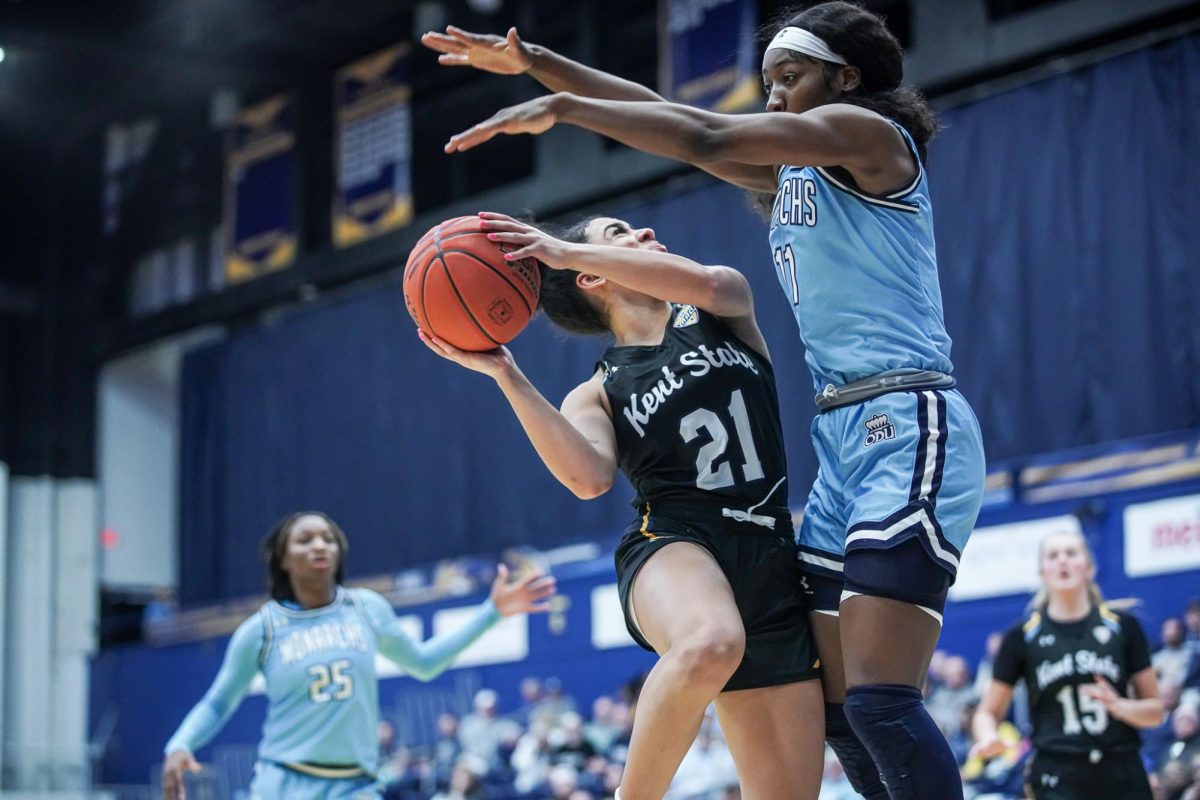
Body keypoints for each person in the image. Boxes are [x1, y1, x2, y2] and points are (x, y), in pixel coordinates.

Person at [423, 3, 987, 797]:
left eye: (789, 78)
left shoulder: (870, 138)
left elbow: (703, 135)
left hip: (909, 415)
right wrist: (543, 64)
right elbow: (664, 113)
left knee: (881, 700)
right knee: (845, 712)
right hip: (834, 445)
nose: (774, 98)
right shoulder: (790, 181)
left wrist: (564, 112)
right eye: (767, 84)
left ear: (846, 78)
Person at [419, 212, 825, 800]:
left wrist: (566, 251)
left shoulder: (718, 301)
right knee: (709, 641)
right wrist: (507, 375)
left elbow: (712, 284)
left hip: (770, 554)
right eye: (618, 234)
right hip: (677, 540)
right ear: (589, 277)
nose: (643, 234)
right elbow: (588, 479)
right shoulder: (596, 390)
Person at [161, 511, 555, 800]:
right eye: (305, 539)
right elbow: (217, 703)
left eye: (328, 538)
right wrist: (180, 744)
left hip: (356, 785)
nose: (319, 544)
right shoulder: (261, 629)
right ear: (283, 558)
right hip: (283, 781)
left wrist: (492, 613)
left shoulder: (367, 608)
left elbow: (424, 662)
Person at [971, 529, 1164, 800]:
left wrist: (1121, 707)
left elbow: (1155, 711)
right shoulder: (1022, 636)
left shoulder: (1123, 626)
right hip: (1056, 774)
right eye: (1053, 555)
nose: (1062, 560)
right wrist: (988, 736)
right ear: (1042, 572)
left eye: (1071, 553)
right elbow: (987, 712)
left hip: (1121, 768)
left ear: (1089, 567)